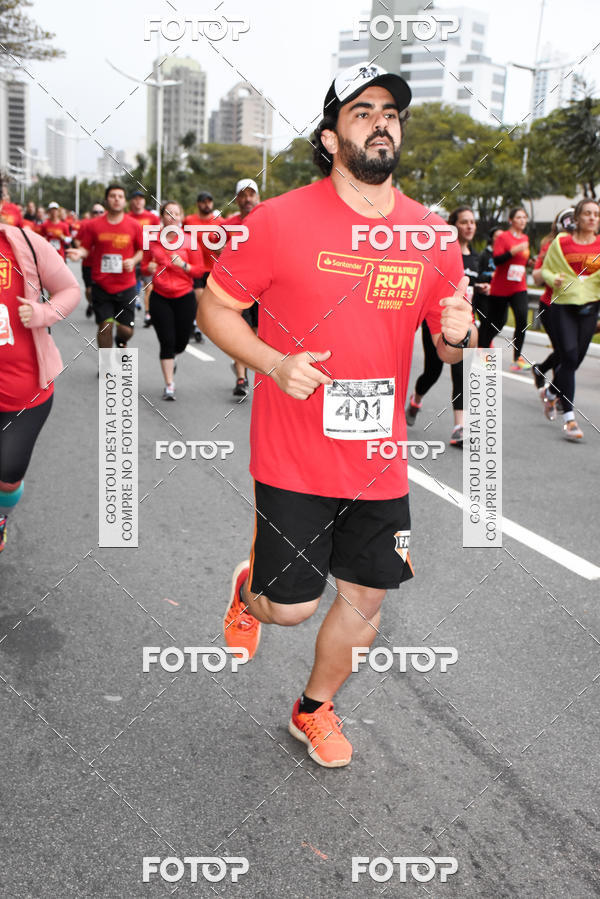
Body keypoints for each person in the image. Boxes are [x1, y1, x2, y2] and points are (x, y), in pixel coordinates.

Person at [198, 62, 473, 768]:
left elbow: (444, 340)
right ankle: (249, 587)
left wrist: (456, 331)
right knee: (287, 608)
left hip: (378, 458)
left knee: (366, 601)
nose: (382, 120)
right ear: (330, 135)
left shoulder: (433, 237)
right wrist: (272, 362)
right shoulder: (279, 220)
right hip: (293, 451)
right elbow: (215, 307)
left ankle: (313, 707)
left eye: (392, 112)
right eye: (363, 110)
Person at [0, 222, 79, 552]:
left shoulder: (23, 244)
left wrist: (44, 312)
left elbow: (69, 289)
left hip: (25, 390)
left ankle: (1, 516)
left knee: (8, 474)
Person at [405, 206, 489, 448]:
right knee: (432, 371)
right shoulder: (443, 253)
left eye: (473, 222)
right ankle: (417, 398)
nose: (470, 226)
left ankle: (459, 426)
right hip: (437, 320)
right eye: (464, 222)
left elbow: (478, 283)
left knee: (461, 371)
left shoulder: (476, 256)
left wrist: (483, 288)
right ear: (453, 226)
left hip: (464, 321)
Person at [540, 198, 600, 441]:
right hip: (563, 305)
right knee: (569, 355)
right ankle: (569, 418)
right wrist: (552, 278)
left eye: (596, 214)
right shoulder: (562, 242)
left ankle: (552, 393)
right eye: (587, 213)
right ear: (576, 218)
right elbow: (546, 269)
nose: (592, 218)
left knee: (573, 362)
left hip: (590, 306)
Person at [67, 185, 143, 349]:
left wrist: (133, 260)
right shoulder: (93, 225)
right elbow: (86, 248)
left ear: (124, 201)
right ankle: (108, 369)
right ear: (106, 200)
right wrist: (79, 254)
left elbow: (141, 251)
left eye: (120, 196)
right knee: (105, 327)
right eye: (113, 196)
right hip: (102, 284)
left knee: (126, 330)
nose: (116, 199)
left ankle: (121, 339)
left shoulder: (134, 225)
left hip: (126, 285)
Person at [145, 201, 205, 400]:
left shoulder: (190, 241)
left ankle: (174, 356)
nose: (172, 217)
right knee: (167, 341)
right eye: (168, 214)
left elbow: (199, 270)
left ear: (181, 217)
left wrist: (184, 266)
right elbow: (145, 266)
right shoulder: (152, 241)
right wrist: (149, 269)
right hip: (160, 297)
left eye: (176, 214)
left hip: (184, 296)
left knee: (180, 342)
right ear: (162, 217)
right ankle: (169, 385)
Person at [478, 207, 531, 370]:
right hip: (500, 287)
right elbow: (498, 260)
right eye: (519, 217)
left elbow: (522, 261)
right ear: (511, 220)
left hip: (519, 286)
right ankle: (482, 349)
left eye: (524, 217)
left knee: (522, 319)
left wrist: (532, 263)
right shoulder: (503, 237)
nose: (522, 220)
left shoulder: (525, 238)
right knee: (495, 322)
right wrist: (513, 251)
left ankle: (517, 358)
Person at [530, 207, 574, 397]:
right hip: (551, 305)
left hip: (575, 306)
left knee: (569, 351)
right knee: (564, 351)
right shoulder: (551, 245)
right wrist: (552, 275)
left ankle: (542, 371)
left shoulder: (588, 245)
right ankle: (557, 393)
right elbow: (537, 276)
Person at [224, 179, 260, 397]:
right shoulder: (228, 225)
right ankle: (240, 378)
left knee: (255, 333)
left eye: (251, 194)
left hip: (263, 289)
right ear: (236, 199)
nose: (247, 199)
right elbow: (215, 249)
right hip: (238, 289)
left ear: (257, 196)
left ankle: (243, 367)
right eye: (242, 195)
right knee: (241, 332)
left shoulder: (268, 220)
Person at [184, 190, 223, 342]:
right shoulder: (189, 220)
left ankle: (197, 325)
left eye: (209, 201)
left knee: (207, 302)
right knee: (198, 298)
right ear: (198, 204)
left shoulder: (220, 222)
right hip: (194, 267)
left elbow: (227, 243)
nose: (207, 204)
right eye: (203, 201)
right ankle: (197, 325)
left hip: (213, 268)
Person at [128, 190, 160, 320]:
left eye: (140, 199)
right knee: (132, 285)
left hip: (148, 256)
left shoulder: (152, 218)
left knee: (149, 286)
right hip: (133, 257)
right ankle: (132, 307)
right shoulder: (127, 217)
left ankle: (148, 313)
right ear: (131, 201)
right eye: (135, 199)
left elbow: (157, 237)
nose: (138, 201)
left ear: (144, 201)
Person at [73, 203, 105, 319]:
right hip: (88, 263)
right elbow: (77, 240)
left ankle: (101, 306)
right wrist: (81, 250)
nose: (98, 214)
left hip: (103, 264)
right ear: (91, 214)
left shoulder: (107, 225)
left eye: (101, 212)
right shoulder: (85, 225)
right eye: (95, 212)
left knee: (102, 288)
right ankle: (91, 303)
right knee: (89, 290)